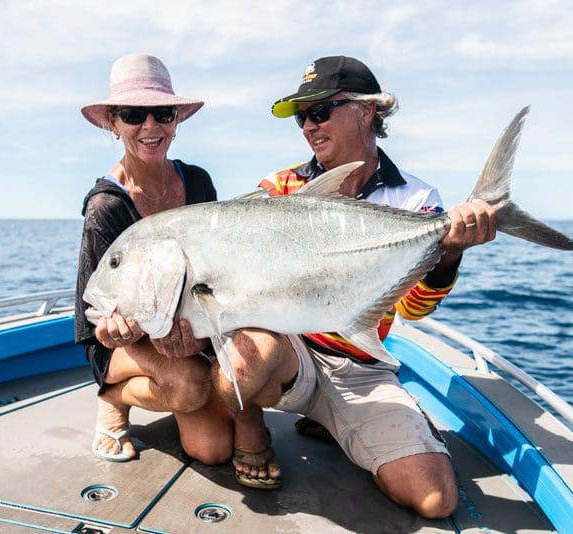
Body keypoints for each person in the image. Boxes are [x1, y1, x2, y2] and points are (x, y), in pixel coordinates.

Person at [212, 56, 496, 518]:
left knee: (435, 499)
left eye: (320, 111)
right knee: (243, 359)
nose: (308, 125)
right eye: (302, 116)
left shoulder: (417, 200)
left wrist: (450, 253)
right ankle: (253, 432)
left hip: (362, 369)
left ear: (367, 111)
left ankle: (343, 421)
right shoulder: (281, 187)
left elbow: (415, 310)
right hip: (290, 354)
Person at [74, 54, 233, 466]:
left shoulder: (198, 181)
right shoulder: (106, 207)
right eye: (132, 114)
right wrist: (117, 334)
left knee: (214, 450)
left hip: (193, 335)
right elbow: (93, 324)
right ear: (113, 122)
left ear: (176, 121)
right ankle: (113, 397)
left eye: (162, 113)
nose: (150, 126)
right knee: (189, 387)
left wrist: (200, 338)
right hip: (125, 347)